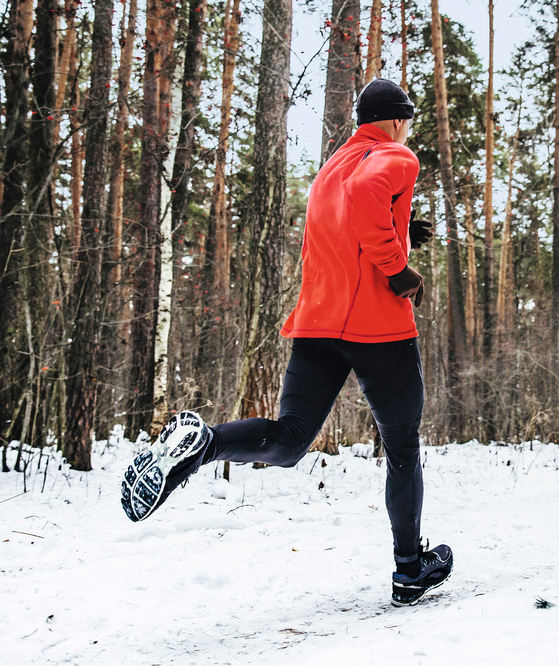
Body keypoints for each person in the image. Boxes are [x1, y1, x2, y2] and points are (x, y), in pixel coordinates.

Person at [121, 78, 452, 607]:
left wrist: (404, 226)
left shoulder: (329, 171)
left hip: (318, 326)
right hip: (377, 330)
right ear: (393, 120)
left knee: (291, 438)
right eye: (406, 122)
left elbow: (349, 213)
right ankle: (410, 572)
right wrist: (398, 268)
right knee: (402, 449)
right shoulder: (397, 155)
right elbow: (371, 194)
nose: (406, 131)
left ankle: (205, 445)